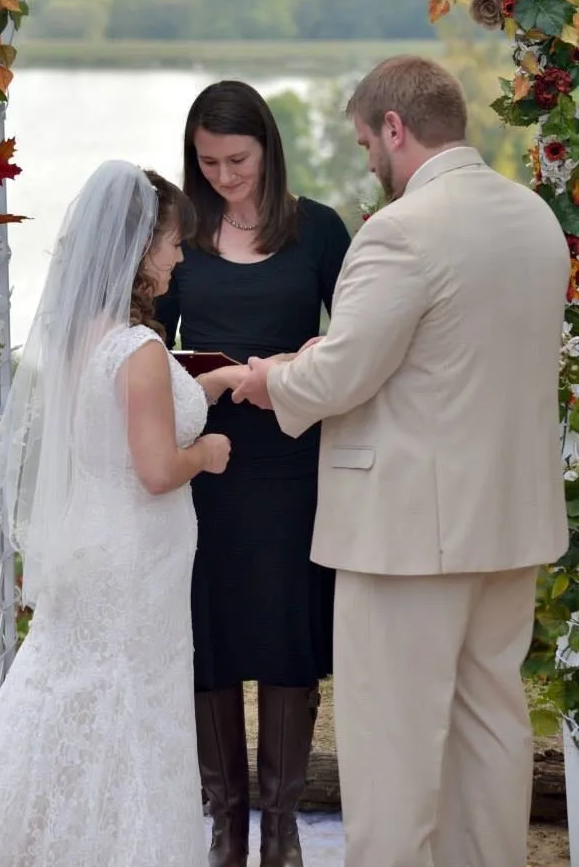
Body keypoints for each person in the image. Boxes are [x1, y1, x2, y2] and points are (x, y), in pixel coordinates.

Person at [233, 56, 570, 867]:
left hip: (407, 537)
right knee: (491, 735)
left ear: (394, 127)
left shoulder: (401, 231)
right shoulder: (533, 219)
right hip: (509, 522)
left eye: (364, 144)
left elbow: (343, 375)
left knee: (391, 755)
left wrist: (268, 376)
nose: (368, 164)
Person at [0, 160, 246, 867]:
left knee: (68, 701)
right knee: (131, 713)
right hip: (135, 560)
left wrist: (222, 378)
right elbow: (156, 469)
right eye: (171, 242)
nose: (177, 255)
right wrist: (207, 453)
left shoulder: (85, 335)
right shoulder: (137, 351)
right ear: (140, 250)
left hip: (96, 546)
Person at [155, 80, 351, 867]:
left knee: (284, 633)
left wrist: (301, 360)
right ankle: (226, 825)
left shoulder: (320, 232)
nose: (224, 177)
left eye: (237, 160)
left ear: (268, 147)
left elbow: (359, 339)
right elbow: (141, 344)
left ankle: (281, 826)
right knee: (209, 634)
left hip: (292, 469)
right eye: (207, 163)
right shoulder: (181, 235)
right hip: (201, 470)